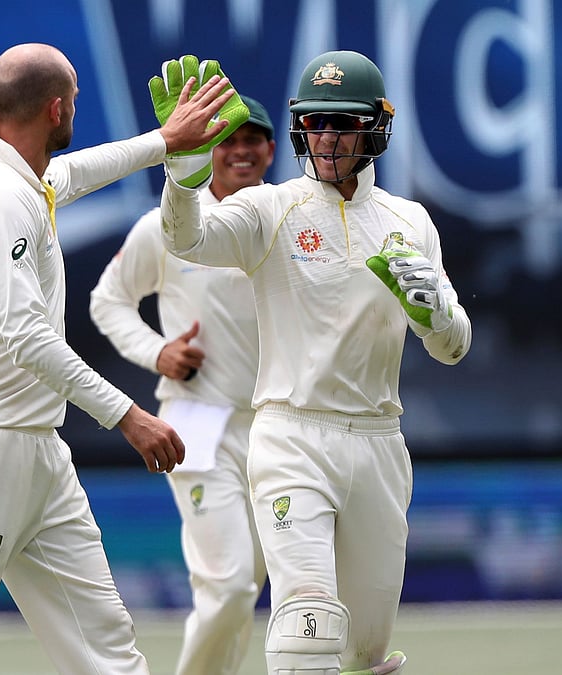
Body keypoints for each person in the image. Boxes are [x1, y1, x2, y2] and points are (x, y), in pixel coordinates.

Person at [0, 42, 242, 674]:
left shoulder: (23, 176)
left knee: (104, 640)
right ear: (55, 109)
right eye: (72, 100)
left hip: (39, 454)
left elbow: (80, 172)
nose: (75, 110)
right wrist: (127, 414)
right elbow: (29, 337)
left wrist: (166, 140)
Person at [151, 50, 473, 675]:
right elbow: (185, 238)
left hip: (379, 443)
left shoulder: (409, 222)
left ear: (375, 128)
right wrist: (183, 173)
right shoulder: (272, 209)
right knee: (306, 624)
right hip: (292, 435)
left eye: (342, 124)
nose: (326, 137)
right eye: (316, 122)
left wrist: (434, 310)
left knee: (363, 652)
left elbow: (452, 347)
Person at [88, 93, 276, 674]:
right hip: (199, 419)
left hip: (277, 427)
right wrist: (158, 351)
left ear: (271, 150)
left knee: (246, 588)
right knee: (227, 587)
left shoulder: (287, 220)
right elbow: (108, 301)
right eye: (229, 140)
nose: (241, 151)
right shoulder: (168, 225)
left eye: (253, 140)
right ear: (209, 149)